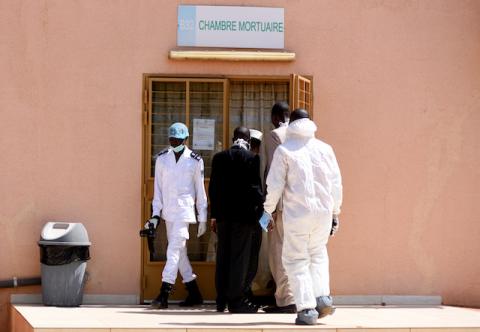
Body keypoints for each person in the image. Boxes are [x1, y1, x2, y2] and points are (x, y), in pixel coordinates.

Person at [262, 109, 343, 325]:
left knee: (296, 260)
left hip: (298, 215)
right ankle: (323, 298)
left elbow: (274, 185)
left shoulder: (285, 150)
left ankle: (307, 309)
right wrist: (336, 211)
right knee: (318, 255)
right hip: (324, 214)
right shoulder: (326, 149)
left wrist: (267, 210)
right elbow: (336, 184)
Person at [145, 122, 208, 309]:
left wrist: (202, 216)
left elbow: (200, 190)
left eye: (178, 140)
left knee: (173, 251)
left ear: (186, 139)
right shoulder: (162, 159)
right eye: (172, 139)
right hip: (168, 213)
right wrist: (155, 214)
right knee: (179, 253)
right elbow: (158, 190)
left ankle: (164, 293)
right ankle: (194, 292)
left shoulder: (195, 160)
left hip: (184, 212)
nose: (175, 142)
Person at [209, 126, 264, 313]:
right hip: (244, 218)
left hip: (223, 217)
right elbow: (255, 189)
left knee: (223, 256)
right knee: (239, 259)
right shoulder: (252, 158)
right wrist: (263, 211)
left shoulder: (219, 158)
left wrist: (214, 216)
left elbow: (213, 190)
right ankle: (236, 301)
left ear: (233, 138)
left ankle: (220, 300)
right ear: (248, 140)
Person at [262, 101, 296, 313]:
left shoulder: (274, 136)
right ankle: (300, 297)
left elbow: (270, 174)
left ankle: (285, 299)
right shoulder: (302, 138)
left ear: (275, 118)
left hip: (280, 206)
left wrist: (267, 207)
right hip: (301, 208)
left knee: (278, 253)